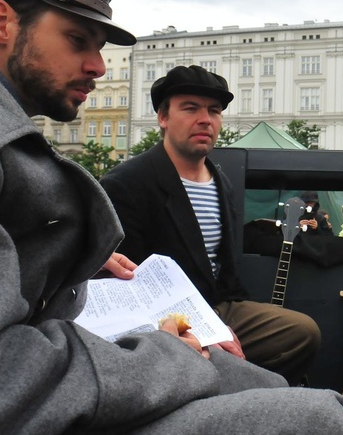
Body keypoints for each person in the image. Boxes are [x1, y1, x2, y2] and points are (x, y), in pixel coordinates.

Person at [0, 0, 343, 434]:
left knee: (288, 390)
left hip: (101, 352)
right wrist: (168, 354)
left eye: (214, 111)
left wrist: (76, 263)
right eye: (77, 40)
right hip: (89, 365)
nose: (98, 67)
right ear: (1, 22)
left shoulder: (1, 140)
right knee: (323, 420)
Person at [100, 64, 321, 386]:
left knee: (303, 332)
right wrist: (204, 329)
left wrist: (220, 322)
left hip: (217, 304)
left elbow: (223, 269)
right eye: (190, 109)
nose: (205, 119)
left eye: (214, 111)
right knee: (227, 362)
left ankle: (248, 399)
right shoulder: (128, 182)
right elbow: (127, 283)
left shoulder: (221, 181)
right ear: (163, 118)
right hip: (160, 318)